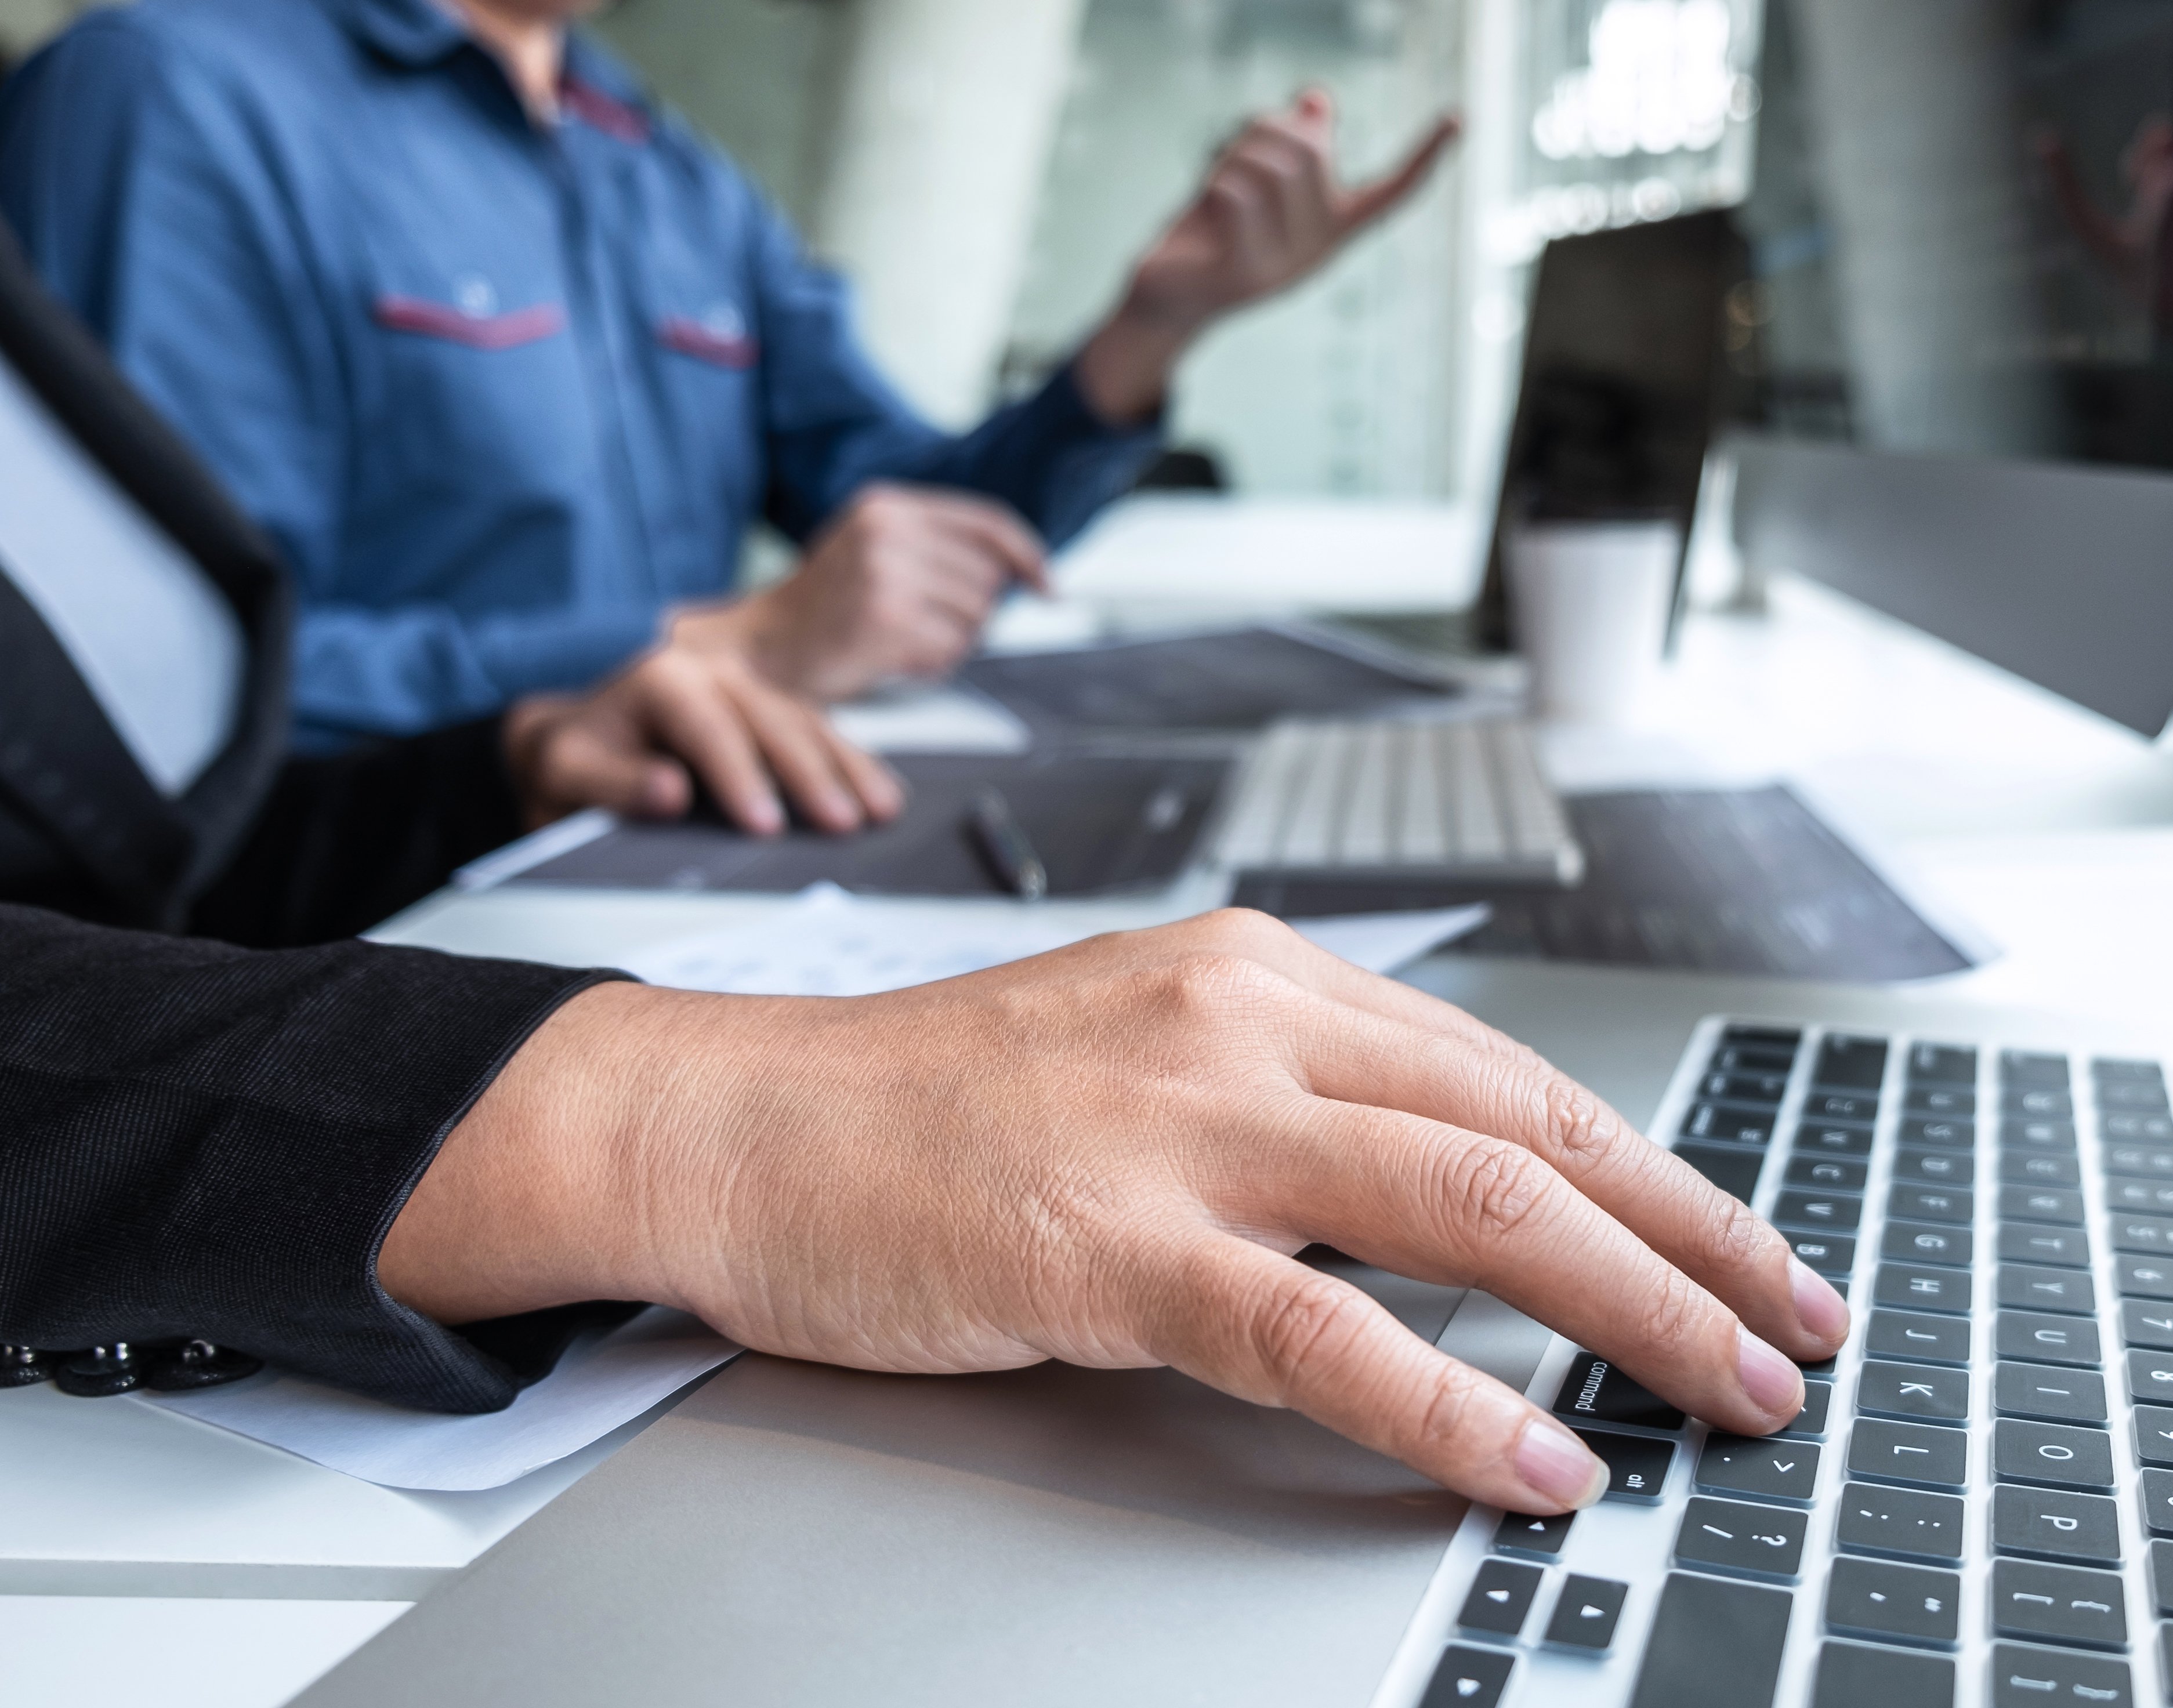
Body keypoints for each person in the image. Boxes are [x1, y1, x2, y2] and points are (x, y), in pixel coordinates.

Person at [0, 228, 1850, 1515]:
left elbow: (153, 786)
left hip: (468, 875)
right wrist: (684, 1116)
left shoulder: (654, 158)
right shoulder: (174, 88)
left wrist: (508, 754)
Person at [0, 0, 1457, 760]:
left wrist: (1148, 332)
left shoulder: (664, 165)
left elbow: (907, 526)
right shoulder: (166, 93)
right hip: (367, 921)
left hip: (663, 852)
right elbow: (153, 701)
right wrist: (723, 645)